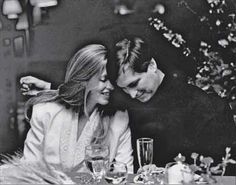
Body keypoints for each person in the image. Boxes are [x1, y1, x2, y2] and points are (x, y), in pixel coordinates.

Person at [20, 38, 236, 175]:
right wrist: (52, 88)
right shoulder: (125, 101)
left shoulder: (206, 108)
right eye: (124, 89)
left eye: (135, 84)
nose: (132, 95)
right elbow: (93, 92)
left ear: (152, 65)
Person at [20, 44, 133, 173]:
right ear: (84, 79)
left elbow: (125, 175)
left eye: (112, 80)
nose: (111, 87)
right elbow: (27, 172)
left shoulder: (119, 119)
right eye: (104, 79)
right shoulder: (45, 112)